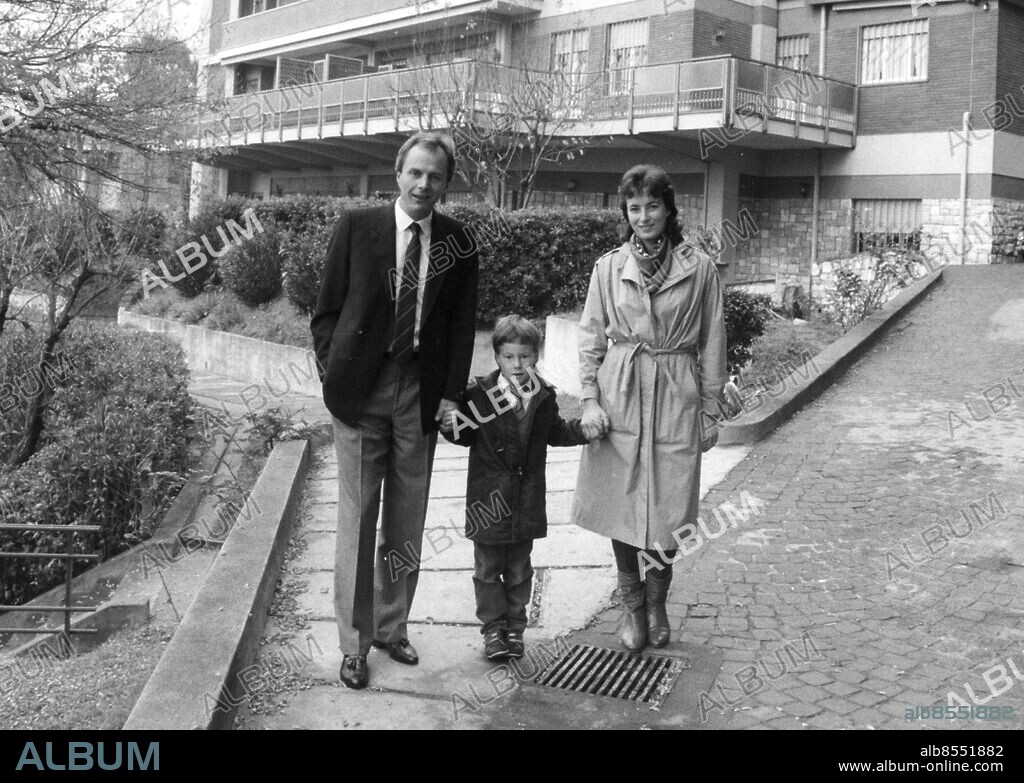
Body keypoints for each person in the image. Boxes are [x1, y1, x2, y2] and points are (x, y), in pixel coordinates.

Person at [310, 131, 479, 689]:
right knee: (358, 518)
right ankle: (354, 644)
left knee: (407, 519)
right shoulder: (358, 228)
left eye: (435, 176)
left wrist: (451, 395)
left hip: (420, 395)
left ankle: (392, 626)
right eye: (416, 173)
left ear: (445, 183)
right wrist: (334, 378)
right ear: (397, 174)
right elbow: (325, 313)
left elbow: (459, 329)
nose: (424, 184)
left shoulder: (459, 242)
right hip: (362, 392)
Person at [570, 164, 727, 653]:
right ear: (625, 212)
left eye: (652, 206)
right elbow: (591, 338)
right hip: (621, 393)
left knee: (671, 507)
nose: (643, 216)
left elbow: (713, 340)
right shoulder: (607, 268)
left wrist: (710, 408)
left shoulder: (698, 267)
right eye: (634, 207)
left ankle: (658, 602)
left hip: (676, 392)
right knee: (622, 504)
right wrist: (590, 399)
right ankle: (633, 609)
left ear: (669, 209)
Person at [443, 316, 596, 661]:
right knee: (487, 569)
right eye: (509, 357)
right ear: (496, 356)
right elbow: (463, 434)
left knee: (518, 569)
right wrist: (448, 424)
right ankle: (493, 629)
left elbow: (555, 432)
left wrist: (584, 430)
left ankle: (515, 627)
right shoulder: (479, 396)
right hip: (488, 501)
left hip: (526, 501)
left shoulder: (542, 396)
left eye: (525, 357)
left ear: (536, 357)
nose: (517, 365)